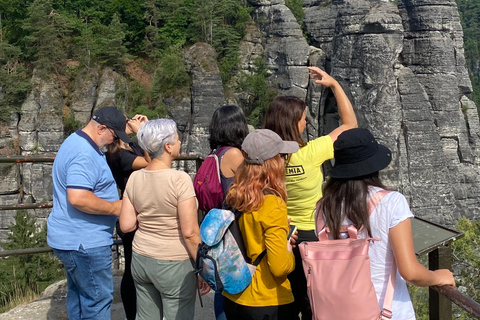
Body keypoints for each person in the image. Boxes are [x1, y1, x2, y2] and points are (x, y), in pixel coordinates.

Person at [320, 128, 455, 319]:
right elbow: (410, 271)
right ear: (374, 164)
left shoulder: (325, 206)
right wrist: (439, 277)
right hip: (387, 311)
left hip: (338, 310)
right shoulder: (391, 202)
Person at [264, 66, 358, 319]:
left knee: (286, 297)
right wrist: (335, 85)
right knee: (313, 300)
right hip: (312, 236)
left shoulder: (264, 157)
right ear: (294, 123)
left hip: (278, 233)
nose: (307, 121)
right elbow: (350, 125)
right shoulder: (311, 153)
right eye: (303, 117)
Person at [47, 106, 129, 320]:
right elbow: (78, 197)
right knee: (97, 301)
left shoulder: (77, 141)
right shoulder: (84, 153)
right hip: (85, 242)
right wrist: (116, 207)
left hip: (72, 239)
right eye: (113, 135)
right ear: (101, 128)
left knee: (79, 297)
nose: (114, 141)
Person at [119, 119, 202, 320]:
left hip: (141, 258)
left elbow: (126, 224)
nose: (180, 141)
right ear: (167, 146)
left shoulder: (135, 178)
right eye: (177, 138)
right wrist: (202, 268)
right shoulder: (179, 179)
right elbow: (190, 233)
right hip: (174, 262)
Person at [223, 129, 299, 320]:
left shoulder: (234, 196)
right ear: (272, 164)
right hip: (267, 299)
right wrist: (289, 250)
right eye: (282, 156)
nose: (284, 161)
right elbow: (279, 267)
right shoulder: (273, 204)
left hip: (234, 295)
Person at [207, 105, 249, 320]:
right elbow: (252, 187)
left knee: (222, 282)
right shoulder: (234, 154)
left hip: (218, 229)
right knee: (234, 284)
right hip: (234, 230)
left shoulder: (214, 154)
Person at [106, 114, 149, 320]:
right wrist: (143, 132)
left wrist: (143, 131)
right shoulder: (119, 155)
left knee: (138, 266)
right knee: (132, 269)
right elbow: (151, 161)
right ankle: (132, 314)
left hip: (139, 211)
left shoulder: (129, 147)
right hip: (131, 213)